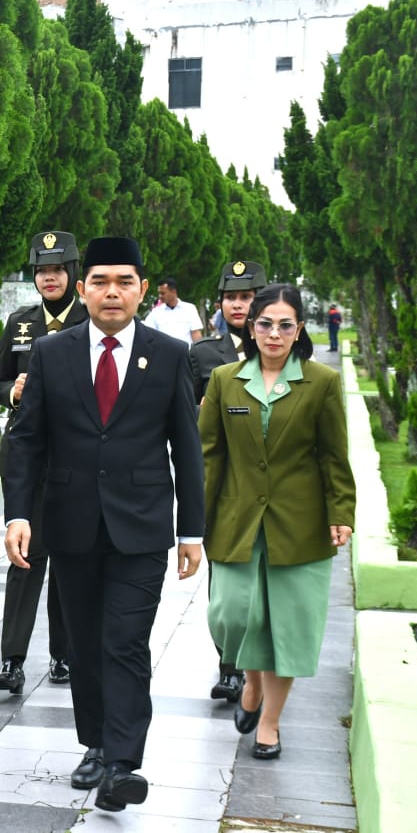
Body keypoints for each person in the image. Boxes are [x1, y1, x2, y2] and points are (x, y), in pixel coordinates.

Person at [2, 236, 204, 813]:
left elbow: (186, 449)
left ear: (142, 288)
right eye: (100, 282)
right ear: (83, 288)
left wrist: (191, 531)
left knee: (125, 642)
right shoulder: (51, 352)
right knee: (85, 644)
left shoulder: (167, 355)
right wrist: (19, 515)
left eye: (124, 282)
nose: (111, 292)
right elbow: (27, 442)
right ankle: (94, 742)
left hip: (140, 529)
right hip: (70, 527)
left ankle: (121, 763)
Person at [199, 283, 355, 762]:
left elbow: (334, 455)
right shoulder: (226, 379)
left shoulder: (320, 383)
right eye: (265, 323)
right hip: (236, 518)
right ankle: (250, 685)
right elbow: (209, 454)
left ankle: (269, 723)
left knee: (285, 626)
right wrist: (192, 521)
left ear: (299, 329)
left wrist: (341, 512)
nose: (274, 333)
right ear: (250, 325)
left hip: (299, 523)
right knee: (234, 615)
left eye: (285, 325)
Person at [0, 230, 84, 693]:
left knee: (67, 557)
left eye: (57, 270)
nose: (49, 278)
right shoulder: (19, 323)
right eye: (42, 271)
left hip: (76, 459)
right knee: (23, 556)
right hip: (26, 458)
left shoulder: (91, 321)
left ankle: (63, 654)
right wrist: (13, 392)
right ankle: (12, 660)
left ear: (72, 274)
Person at [189, 259, 268, 704]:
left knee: (264, 582)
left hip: (271, 487)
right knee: (225, 586)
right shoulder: (203, 354)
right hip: (222, 485)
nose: (239, 305)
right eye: (231, 297)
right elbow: (184, 418)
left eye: (247, 296)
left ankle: (257, 666)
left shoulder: (280, 349)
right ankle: (229, 666)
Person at [143, 276, 204, 343]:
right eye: (159, 293)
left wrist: (199, 351)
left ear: (173, 292)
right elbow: (147, 333)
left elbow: (195, 333)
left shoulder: (189, 309)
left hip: (186, 352)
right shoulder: (156, 312)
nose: (160, 296)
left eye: (163, 293)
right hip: (165, 352)